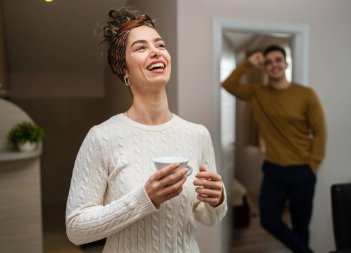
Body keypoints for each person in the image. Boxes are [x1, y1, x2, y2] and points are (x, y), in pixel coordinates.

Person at [65, 6, 227, 253]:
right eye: (141, 48)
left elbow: (208, 217)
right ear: (125, 70)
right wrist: (145, 199)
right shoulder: (102, 137)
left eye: (160, 45)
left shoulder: (198, 134)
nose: (155, 52)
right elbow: (76, 229)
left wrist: (218, 199)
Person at [222, 45, 327, 253]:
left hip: (302, 171)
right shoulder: (257, 93)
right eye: (268, 62)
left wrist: (313, 163)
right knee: (268, 220)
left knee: (301, 226)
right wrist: (249, 62)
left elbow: (320, 131)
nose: (274, 65)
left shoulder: (305, 94)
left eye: (278, 60)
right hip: (274, 170)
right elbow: (229, 85)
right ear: (264, 68)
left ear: (285, 63)